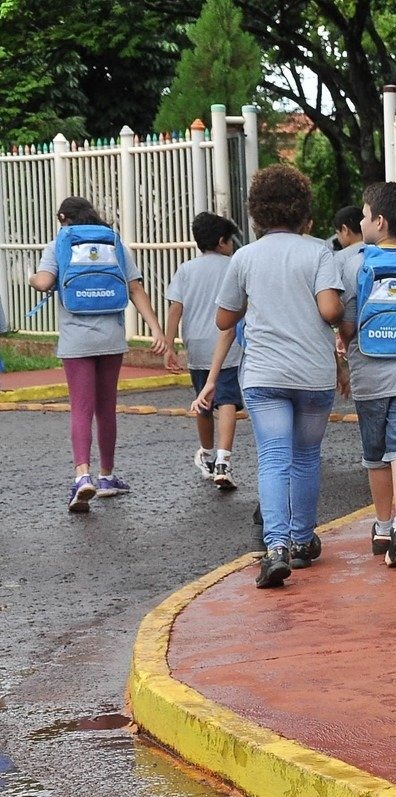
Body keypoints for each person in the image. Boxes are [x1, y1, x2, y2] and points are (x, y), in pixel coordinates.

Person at [197, 165, 343, 588]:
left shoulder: (244, 257)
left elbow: (225, 316)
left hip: (263, 373)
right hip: (312, 374)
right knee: (306, 456)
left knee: (274, 457)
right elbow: (330, 310)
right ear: (303, 210)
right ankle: (302, 540)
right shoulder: (318, 251)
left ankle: (275, 547)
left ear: (257, 212)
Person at [29, 196, 174, 513]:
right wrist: (157, 331)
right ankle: (107, 477)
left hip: (76, 340)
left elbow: (43, 282)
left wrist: (31, 277)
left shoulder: (59, 244)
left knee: (81, 408)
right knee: (106, 408)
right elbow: (136, 289)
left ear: (62, 217)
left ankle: (83, 476)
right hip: (111, 338)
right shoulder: (113, 243)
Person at [338, 181, 396, 568]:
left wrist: (345, 343)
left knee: (375, 453)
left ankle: (381, 524)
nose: (360, 222)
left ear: (378, 221)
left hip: (369, 373)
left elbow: (345, 320)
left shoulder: (354, 262)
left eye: (363, 215)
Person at [164, 212, 243, 490]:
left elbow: (175, 308)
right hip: (228, 342)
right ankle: (224, 459)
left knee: (204, 403)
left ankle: (207, 454)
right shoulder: (234, 265)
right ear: (222, 241)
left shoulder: (186, 270)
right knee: (228, 400)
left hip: (196, 345)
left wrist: (169, 343)